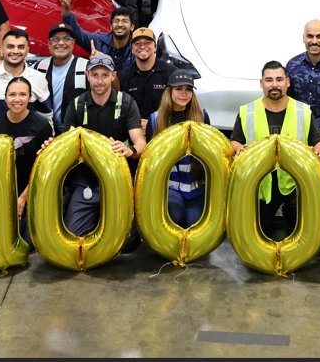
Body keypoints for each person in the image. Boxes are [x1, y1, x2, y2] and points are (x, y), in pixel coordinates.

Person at [230, 61, 320, 240]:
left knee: (300, 238)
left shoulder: (303, 111)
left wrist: (319, 151)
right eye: (269, 80)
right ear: (261, 83)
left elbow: (319, 141)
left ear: (288, 82)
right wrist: (237, 148)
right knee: (258, 236)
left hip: (294, 184)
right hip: (261, 185)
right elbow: (235, 140)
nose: (274, 85)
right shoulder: (247, 111)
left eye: (279, 79)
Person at [54, 53, 145, 237]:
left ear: (113, 76)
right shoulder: (77, 104)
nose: (100, 81)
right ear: (87, 76)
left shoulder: (126, 103)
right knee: (74, 235)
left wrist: (130, 150)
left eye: (105, 75)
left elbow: (141, 143)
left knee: (127, 241)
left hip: (118, 179)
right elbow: (64, 143)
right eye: (95, 75)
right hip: (86, 181)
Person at [144, 69, 209, 229]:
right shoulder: (155, 119)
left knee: (194, 224)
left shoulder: (202, 116)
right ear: (169, 91)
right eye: (179, 89)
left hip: (196, 186)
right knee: (175, 214)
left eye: (188, 89)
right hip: (169, 186)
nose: (184, 94)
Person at [0, 77, 54, 226]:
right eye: (12, 94)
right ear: (5, 98)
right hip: (6, 189)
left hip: (34, 187)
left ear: (30, 98)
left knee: (28, 239)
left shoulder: (42, 125)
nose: (17, 99)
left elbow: (44, 169)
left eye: (23, 94)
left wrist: (23, 198)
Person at [117, 27, 173, 123]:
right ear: (132, 49)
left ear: (155, 47)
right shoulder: (123, 77)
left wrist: (153, 124)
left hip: (164, 129)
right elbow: (121, 111)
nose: (142, 46)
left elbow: (177, 107)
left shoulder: (171, 73)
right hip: (134, 130)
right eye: (137, 43)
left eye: (147, 42)